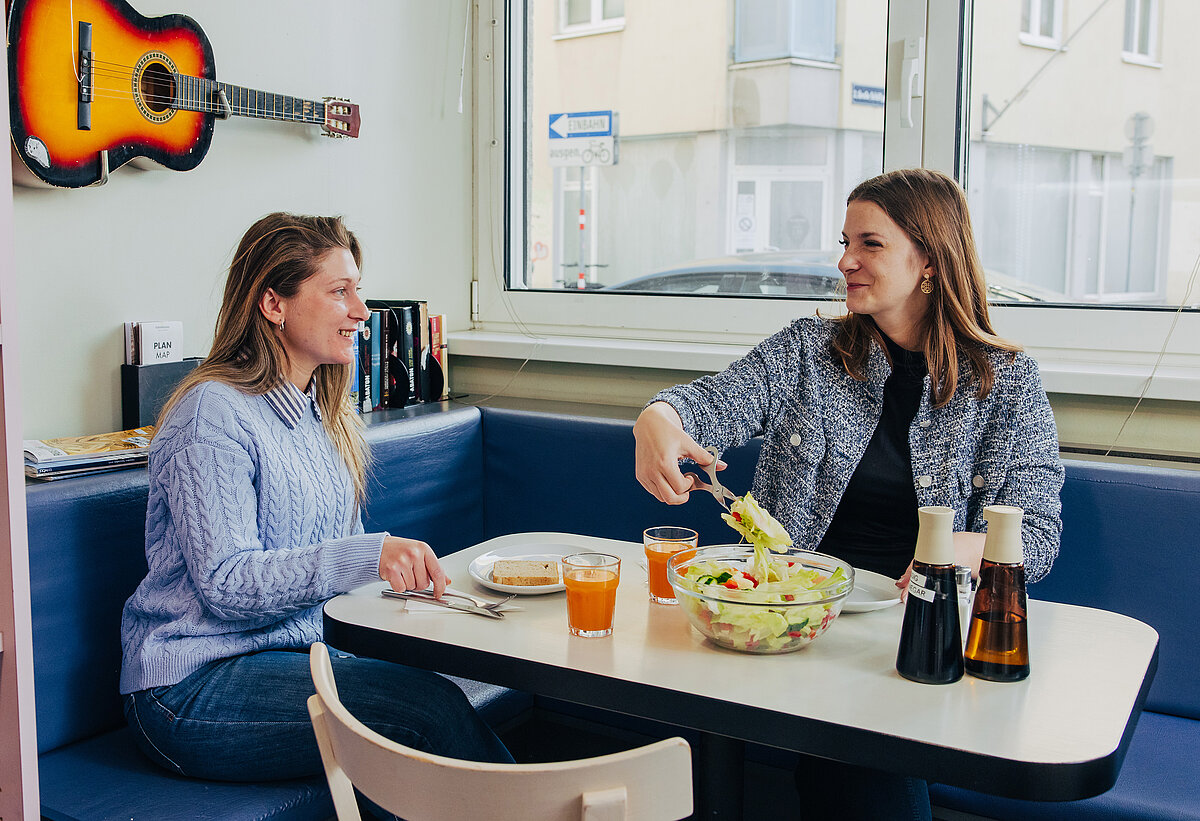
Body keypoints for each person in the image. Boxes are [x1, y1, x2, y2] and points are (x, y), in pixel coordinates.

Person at [633, 168, 1064, 820]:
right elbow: (711, 404)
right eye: (845, 241)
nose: (844, 261)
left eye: (869, 244)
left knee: (872, 777)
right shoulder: (806, 352)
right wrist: (658, 420)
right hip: (792, 633)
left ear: (928, 261)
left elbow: (1038, 533)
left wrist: (957, 550)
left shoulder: (1005, 382)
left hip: (919, 644)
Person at [120, 213, 512, 790]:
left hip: (297, 657)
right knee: (425, 710)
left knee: (431, 689)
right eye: (339, 291)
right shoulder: (211, 414)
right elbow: (226, 584)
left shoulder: (322, 413)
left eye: (358, 289)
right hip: (191, 683)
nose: (361, 310)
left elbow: (334, 575)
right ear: (273, 305)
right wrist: (365, 556)